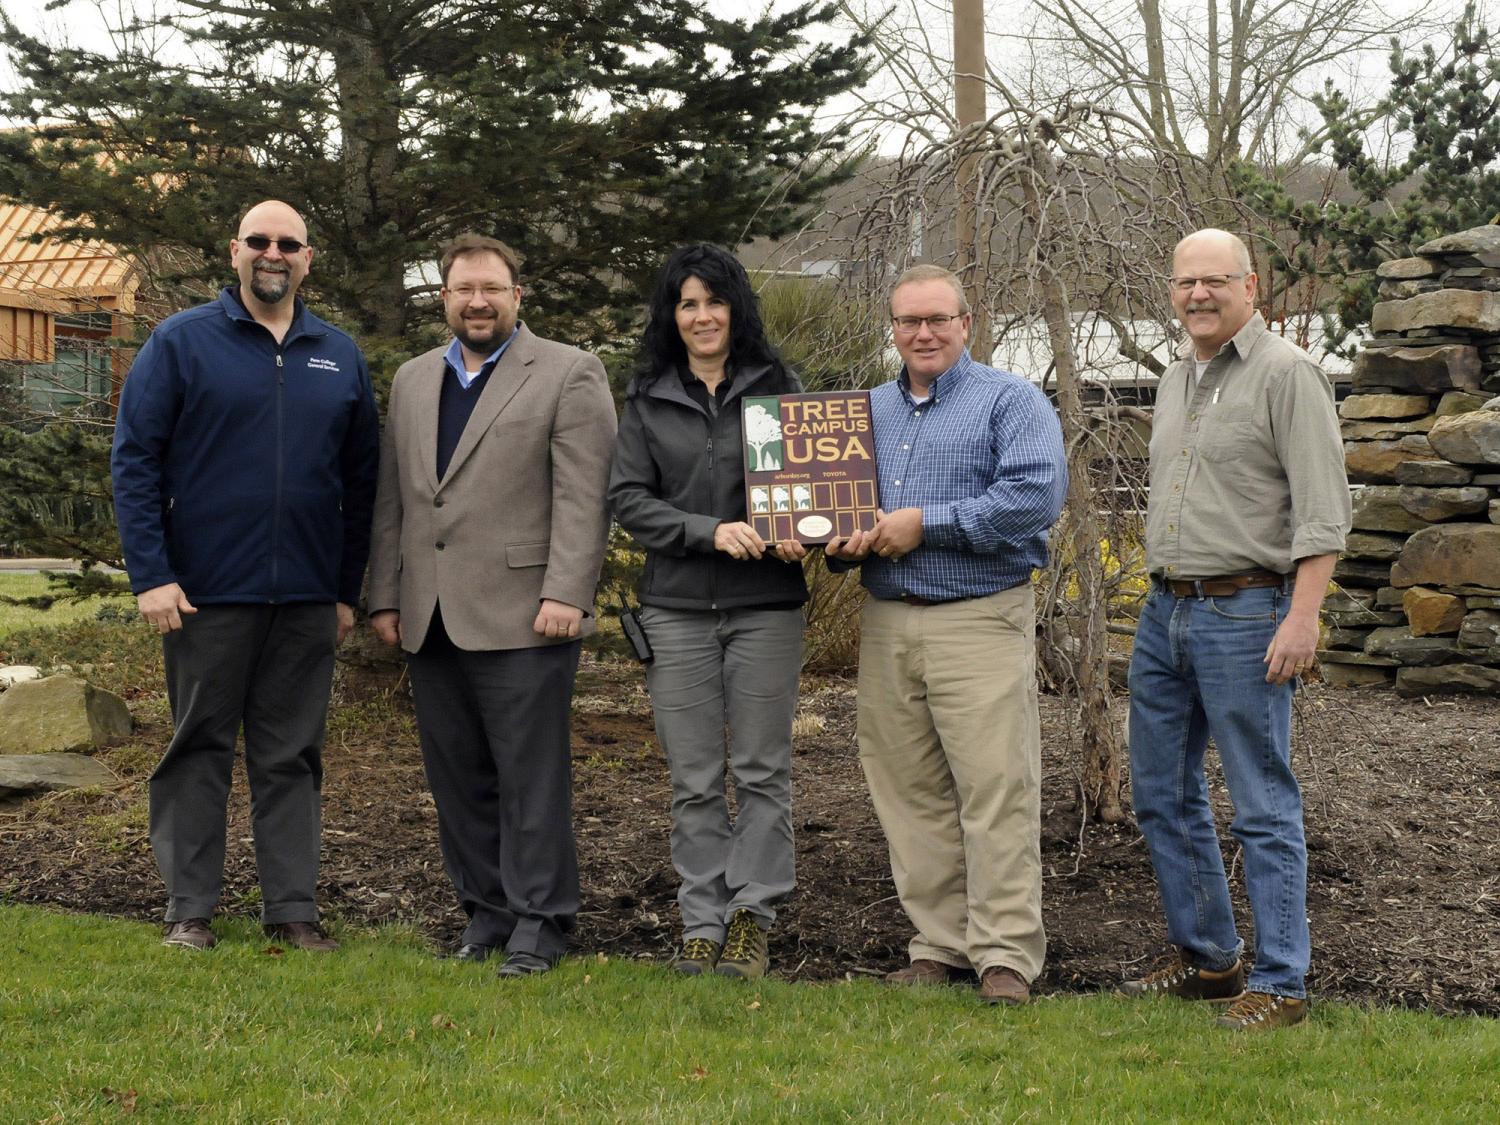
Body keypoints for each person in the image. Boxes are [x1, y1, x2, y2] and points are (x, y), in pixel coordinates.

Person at [111, 199, 379, 952]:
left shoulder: (339, 354)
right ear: (234, 252)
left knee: (291, 755)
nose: (273, 253)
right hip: (203, 593)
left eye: (287, 243)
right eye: (259, 241)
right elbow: (135, 459)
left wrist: (341, 588)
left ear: (307, 259)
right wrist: (152, 574)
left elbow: (362, 483)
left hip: (304, 597)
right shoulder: (182, 342)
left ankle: (293, 909)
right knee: (197, 747)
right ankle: (189, 909)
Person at [367, 234, 616, 978]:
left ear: (517, 296)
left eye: (492, 288)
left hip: (526, 611)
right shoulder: (414, 380)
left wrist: (567, 592)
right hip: (430, 613)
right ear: (442, 297)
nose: (477, 300)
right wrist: (385, 592)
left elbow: (584, 496)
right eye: (462, 288)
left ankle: (542, 919)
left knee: (529, 776)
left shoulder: (570, 372)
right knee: (457, 776)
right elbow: (395, 497)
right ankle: (487, 909)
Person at [1120, 229, 1350, 1031]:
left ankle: (1282, 984)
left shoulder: (1289, 375)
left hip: (1248, 613)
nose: (1198, 296)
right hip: (1165, 613)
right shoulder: (1180, 377)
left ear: (1250, 286)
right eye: (1185, 282)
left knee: (1261, 804)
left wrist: (1302, 615)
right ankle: (1211, 960)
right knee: (1160, 791)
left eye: (1215, 281)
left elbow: (1323, 511)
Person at [826, 263, 1067, 1005]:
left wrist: (925, 523)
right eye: (908, 321)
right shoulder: (864, 412)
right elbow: (838, 508)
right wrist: (838, 538)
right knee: (909, 790)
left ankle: (1005, 955)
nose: (922, 333)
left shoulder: (1011, 400)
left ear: (967, 321)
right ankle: (939, 943)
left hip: (979, 618)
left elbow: (1033, 498)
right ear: (892, 329)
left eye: (937, 319)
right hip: (889, 620)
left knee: (995, 787)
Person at [607, 243, 807, 981]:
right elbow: (628, 499)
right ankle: (701, 921)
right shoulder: (650, 395)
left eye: (713, 301)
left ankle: (753, 917)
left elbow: (815, 487)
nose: (701, 316)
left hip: (766, 609)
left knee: (760, 769)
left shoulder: (779, 388)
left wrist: (800, 535)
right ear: (673, 314)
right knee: (693, 776)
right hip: (678, 610)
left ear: (735, 307)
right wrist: (706, 530)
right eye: (687, 303)